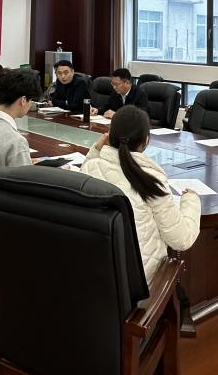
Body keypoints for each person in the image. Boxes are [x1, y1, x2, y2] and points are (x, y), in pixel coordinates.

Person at [81, 106, 201, 280]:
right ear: (146, 141)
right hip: (140, 280)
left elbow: (84, 173)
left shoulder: (91, 168)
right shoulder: (151, 180)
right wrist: (191, 200)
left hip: (96, 272)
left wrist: (96, 150)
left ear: (109, 135)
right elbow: (181, 239)